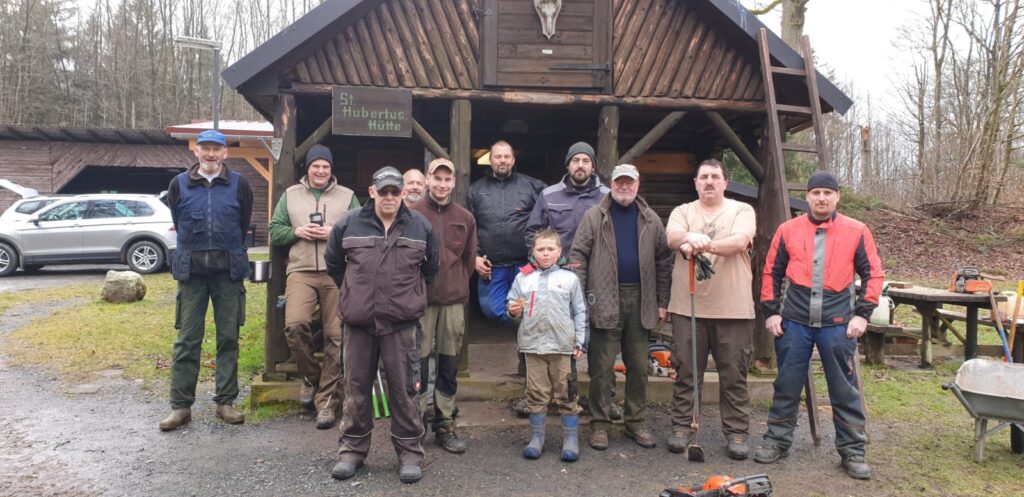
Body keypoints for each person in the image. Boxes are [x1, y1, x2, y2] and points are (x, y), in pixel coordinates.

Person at [754, 170, 883, 480]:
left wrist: (862, 314)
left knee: (843, 387)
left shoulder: (857, 230)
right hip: (794, 321)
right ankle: (777, 441)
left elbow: (873, 274)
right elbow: (771, 272)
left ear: (837, 197)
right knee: (786, 383)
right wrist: (771, 312)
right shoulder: (788, 230)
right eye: (816, 193)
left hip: (838, 323)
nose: (822, 198)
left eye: (828, 193)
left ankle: (852, 450)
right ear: (808, 197)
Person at [324, 166, 438, 484]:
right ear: (372, 192)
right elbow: (334, 264)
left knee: (405, 392)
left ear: (403, 194)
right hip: (359, 325)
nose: (389, 197)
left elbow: (430, 268)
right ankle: (351, 452)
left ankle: (410, 455)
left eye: (395, 191)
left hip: (402, 326)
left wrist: (407, 299)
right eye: (383, 191)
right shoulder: (349, 223)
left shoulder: (420, 226)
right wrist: (356, 295)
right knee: (356, 389)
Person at [568, 164, 673, 451]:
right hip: (603, 296)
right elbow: (577, 256)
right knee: (602, 367)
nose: (624, 187)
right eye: (619, 183)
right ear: (611, 185)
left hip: (641, 299)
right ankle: (600, 424)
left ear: (638, 185)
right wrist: (579, 297)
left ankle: (635, 422)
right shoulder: (594, 216)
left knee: (638, 366)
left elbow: (664, 262)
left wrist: (662, 301)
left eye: (629, 182)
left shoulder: (651, 219)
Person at [159, 129, 253, 431]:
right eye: (205, 149)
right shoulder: (179, 185)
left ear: (225, 154)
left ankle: (225, 402)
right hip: (192, 274)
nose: (211, 154)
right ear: (195, 151)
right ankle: (181, 406)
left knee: (228, 338)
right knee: (187, 340)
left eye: (217, 149)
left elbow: (243, 223)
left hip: (227, 273)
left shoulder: (240, 185)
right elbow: (177, 220)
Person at [665, 159, 757, 460]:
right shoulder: (683, 211)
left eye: (715, 176)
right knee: (687, 371)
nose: (709, 181)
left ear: (725, 182)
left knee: (734, 374)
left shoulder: (741, 211)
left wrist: (705, 245)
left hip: (733, 308)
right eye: (703, 176)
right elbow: (672, 237)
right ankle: (682, 426)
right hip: (688, 307)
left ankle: (737, 432)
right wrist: (689, 236)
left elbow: (740, 241)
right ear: (695, 183)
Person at [268, 144, 359, 429]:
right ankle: (311, 376)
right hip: (301, 271)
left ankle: (327, 402)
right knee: (295, 325)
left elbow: (361, 232)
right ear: (307, 168)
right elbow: (273, 230)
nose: (321, 171)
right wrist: (297, 231)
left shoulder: (347, 197)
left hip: (336, 274)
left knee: (336, 336)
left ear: (332, 170)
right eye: (316, 165)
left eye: (326, 166)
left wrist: (335, 232)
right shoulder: (291, 196)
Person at [525, 141, 610, 406]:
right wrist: (544, 262)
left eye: (586, 161)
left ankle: (603, 398)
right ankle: (553, 394)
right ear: (568, 165)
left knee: (598, 334)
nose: (581, 165)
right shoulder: (549, 195)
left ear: (593, 165)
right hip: (557, 276)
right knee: (552, 330)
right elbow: (532, 232)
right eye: (576, 161)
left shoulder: (607, 196)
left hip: (598, 276)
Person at [409, 158, 477, 454]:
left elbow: (469, 260)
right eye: (437, 178)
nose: (442, 184)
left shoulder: (465, 217)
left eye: (447, 180)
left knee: (448, 363)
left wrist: (457, 284)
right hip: (418, 300)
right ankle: (417, 420)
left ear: (454, 183)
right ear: (427, 180)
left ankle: (444, 421)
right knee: (418, 362)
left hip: (452, 300)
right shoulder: (411, 214)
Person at [507, 228, 587, 462]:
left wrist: (579, 341)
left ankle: (570, 439)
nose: (545, 253)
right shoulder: (523, 278)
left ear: (559, 251)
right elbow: (512, 304)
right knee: (536, 393)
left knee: (567, 393)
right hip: (533, 347)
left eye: (550, 249)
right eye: (540, 249)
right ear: (533, 251)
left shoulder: (569, 278)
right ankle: (537, 438)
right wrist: (513, 310)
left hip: (562, 347)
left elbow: (579, 311)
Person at [467, 140, 545, 328]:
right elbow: (470, 226)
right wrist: (475, 257)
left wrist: (541, 250)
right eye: (498, 156)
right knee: (492, 310)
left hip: (525, 265)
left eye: (506, 156)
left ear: (513, 159)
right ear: (490, 160)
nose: (502, 160)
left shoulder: (532, 186)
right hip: (493, 266)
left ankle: (526, 342)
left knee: (532, 307)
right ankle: (520, 327)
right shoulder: (476, 189)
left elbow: (552, 211)